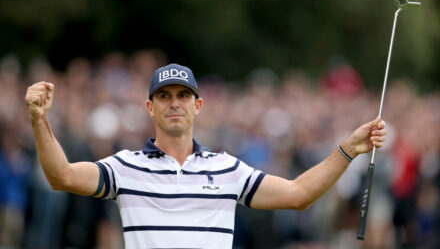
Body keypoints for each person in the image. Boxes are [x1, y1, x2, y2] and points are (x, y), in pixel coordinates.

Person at [25, 63, 387, 249]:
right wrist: (40, 120)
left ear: (198, 105)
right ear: (149, 107)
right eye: (164, 96)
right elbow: (62, 176)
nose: (174, 103)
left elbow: (297, 195)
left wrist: (348, 149)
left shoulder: (226, 168)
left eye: (183, 96)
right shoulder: (125, 166)